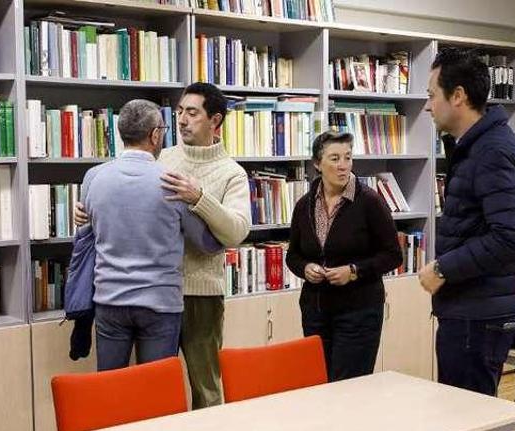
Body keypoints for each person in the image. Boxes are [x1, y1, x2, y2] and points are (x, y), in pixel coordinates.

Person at [76, 83, 251, 408]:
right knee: (149, 390)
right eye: (180, 112)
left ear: (215, 121)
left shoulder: (233, 174)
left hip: (200, 296)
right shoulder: (163, 160)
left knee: (205, 388)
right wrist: (86, 212)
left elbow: (236, 232)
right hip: (154, 293)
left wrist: (199, 198)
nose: (183, 120)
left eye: (192, 113)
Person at [416, 48, 515, 431]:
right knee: (475, 429)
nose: (427, 105)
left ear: (459, 96)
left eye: (432, 95)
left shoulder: (492, 152)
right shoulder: (479, 147)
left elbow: (510, 237)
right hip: (475, 308)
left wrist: (444, 268)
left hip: (477, 314)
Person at [81, 99, 222, 371]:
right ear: (155, 135)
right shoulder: (173, 181)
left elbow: (87, 231)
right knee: (157, 394)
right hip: (160, 303)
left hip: (109, 300)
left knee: (110, 389)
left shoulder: (93, 177)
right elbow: (206, 243)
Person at [285, 131, 402, 381]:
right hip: (316, 312)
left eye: (347, 158)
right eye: (335, 158)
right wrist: (305, 268)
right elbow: (293, 255)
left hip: (359, 313)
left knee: (349, 390)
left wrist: (353, 271)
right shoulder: (304, 205)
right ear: (318, 164)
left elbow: (393, 255)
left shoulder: (369, 201)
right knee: (318, 385)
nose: (343, 166)